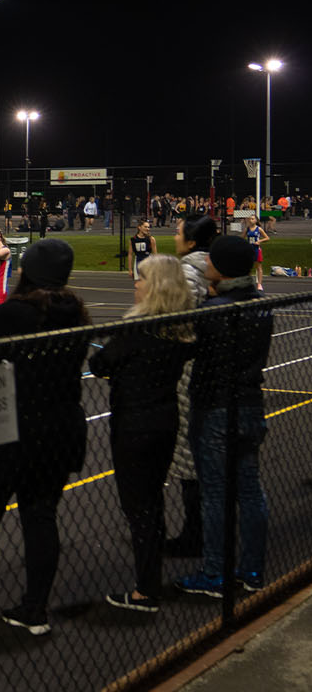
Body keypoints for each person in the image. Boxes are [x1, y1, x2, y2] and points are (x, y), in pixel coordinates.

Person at [0, 238, 90, 636]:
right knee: (41, 517)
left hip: (12, 428)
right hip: (61, 427)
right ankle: (34, 607)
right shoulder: (76, 314)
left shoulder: (14, 314)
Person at [89, 254, 196, 612]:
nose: (135, 285)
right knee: (153, 502)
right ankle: (150, 579)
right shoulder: (180, 328)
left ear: (154, 288)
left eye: (140, 280)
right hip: (164, 420)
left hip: (134, 425)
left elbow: (100, 363)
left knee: (139, 509)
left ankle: (145, 590)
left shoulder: (136, 330)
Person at [175, 236, 273, 597]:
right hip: (250, 403)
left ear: (222, 267)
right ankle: (252, 569)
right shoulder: (261, 304)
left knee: (214, 494)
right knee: (250, 491)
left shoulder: (215, 312)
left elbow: (191, 349)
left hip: (216, 408)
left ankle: (215, 572)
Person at [165, 212, 220, 555]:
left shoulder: (186, 271)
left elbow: (177, 324)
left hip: (188, 371)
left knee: (188, 456)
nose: (174, 233)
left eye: (179, 229)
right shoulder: (212, 266)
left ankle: (195, 536)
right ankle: (204, 532)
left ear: (192, 239)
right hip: (211, 368)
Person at [245, 215, 269, 289]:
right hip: (249, 249)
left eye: (252, 219)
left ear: (256, 220)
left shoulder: (259, 229)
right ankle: (248, 283)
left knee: (258, 267)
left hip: (256, 249)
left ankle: (259, 284)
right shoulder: (247, 229)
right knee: (248, 267)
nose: (250, 220)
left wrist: (259, 241)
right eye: (250, 219)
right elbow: (242, 237)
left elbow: (267, 238)